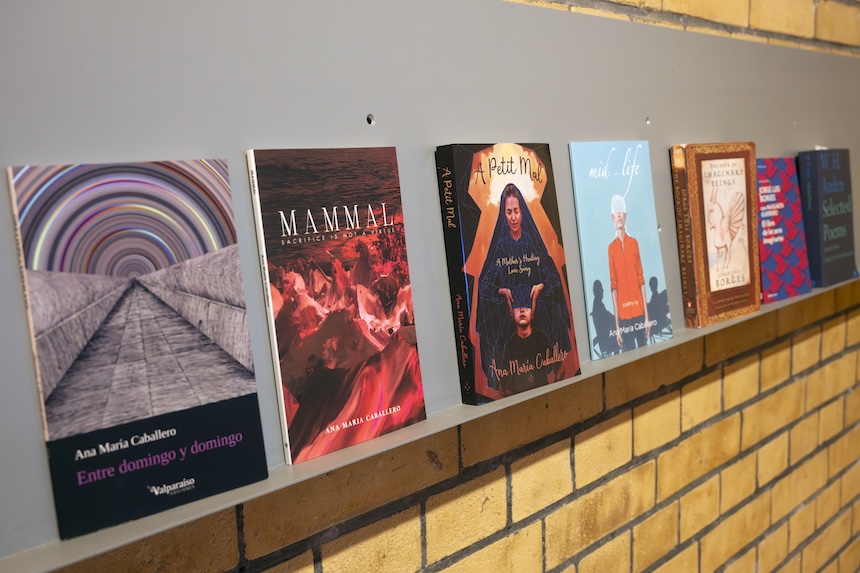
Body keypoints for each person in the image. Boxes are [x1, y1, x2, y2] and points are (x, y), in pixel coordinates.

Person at [476, 183, 571, 391]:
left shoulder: (532, 244)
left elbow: (553, 279)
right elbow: (485, 284)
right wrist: (501, 291)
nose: (513, 217)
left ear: (522, 212)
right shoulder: (501, 248)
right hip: (510, 320)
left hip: (534, 319)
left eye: (516, 211)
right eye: (509, 212)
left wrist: (540, 287)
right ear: (503, 214)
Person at [607, 194, 649, 351]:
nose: (619, 215)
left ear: (625, 215)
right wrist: (617, 327)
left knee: (645, 352)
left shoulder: (634, 243)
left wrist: (647, 317)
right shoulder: (611, 249)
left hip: (639, 311)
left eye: (621, 211)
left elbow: (641, 279)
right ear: (612, 218)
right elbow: (614, 287)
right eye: (616, 212)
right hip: (623, 317)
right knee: (630, 354)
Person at [500, 286, 550, 395]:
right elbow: (503, 386)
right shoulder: (509, 345)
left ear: (532, 311)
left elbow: (560, 370)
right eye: (517, 305)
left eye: (526, 305)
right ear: (511, 312)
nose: (522, 309)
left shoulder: (542, 338)